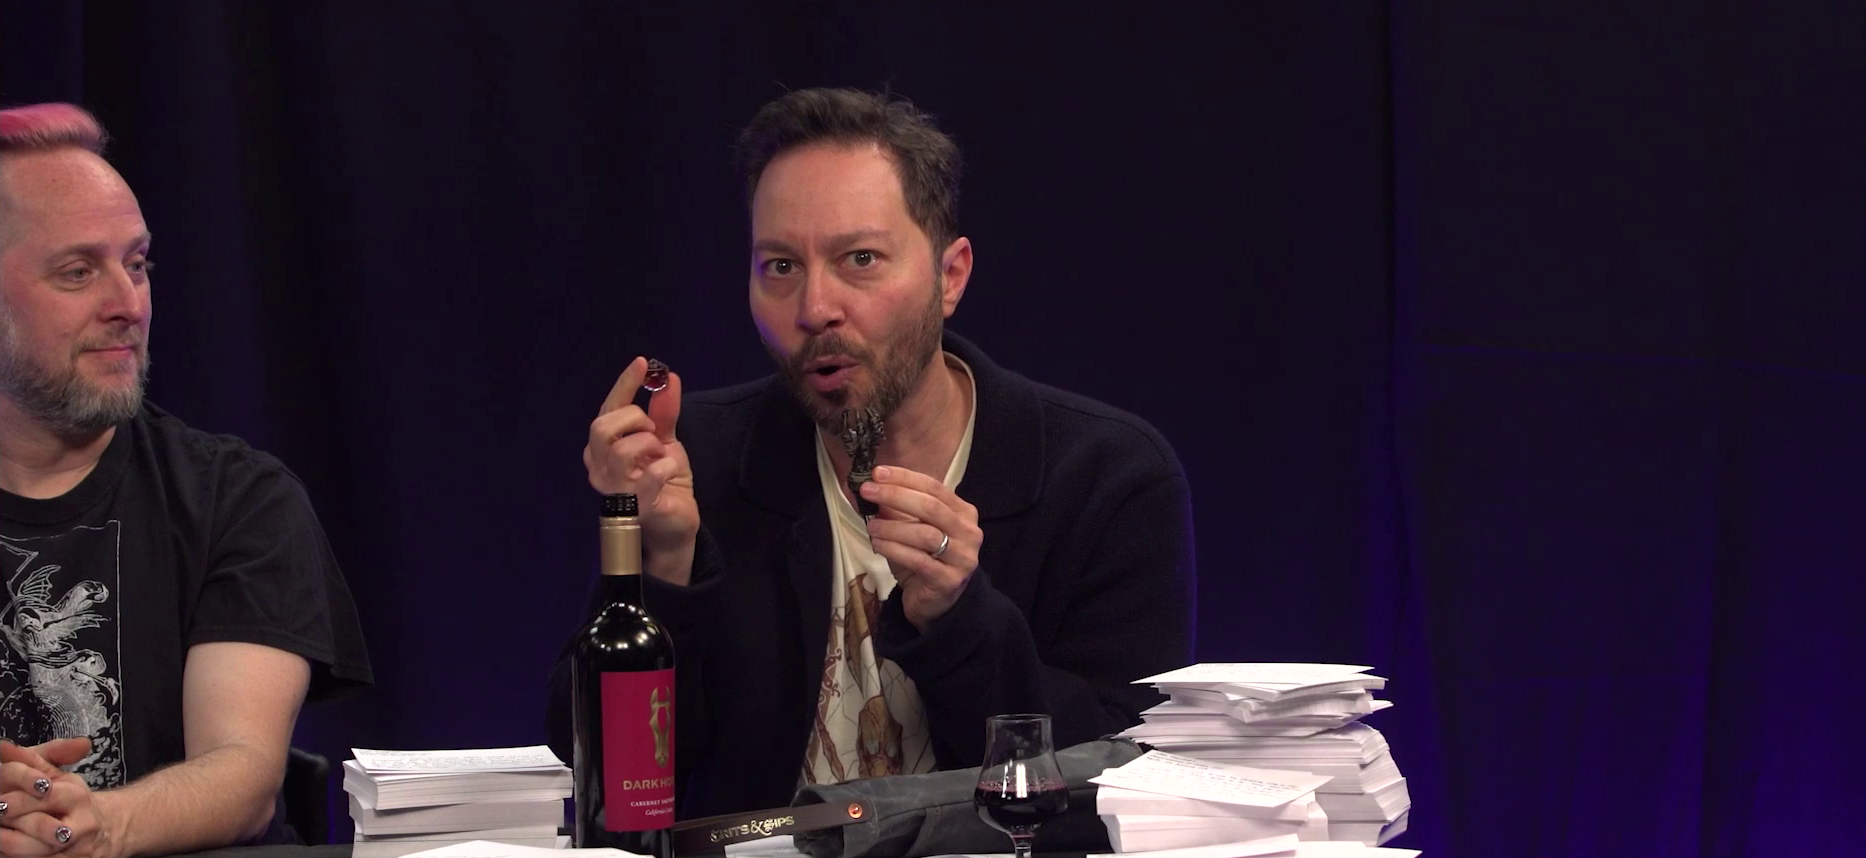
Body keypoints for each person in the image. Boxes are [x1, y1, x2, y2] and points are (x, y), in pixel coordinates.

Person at [548, 88, 1194, 818]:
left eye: (860, 258)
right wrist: (660, 564)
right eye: (780, 266)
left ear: (950, 276)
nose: (815, 306)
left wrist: (958, 618)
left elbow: (1128, 785)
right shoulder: (699, 459)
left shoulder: (1107, 477)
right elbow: (609, 775)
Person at [0, 103, 372, 854]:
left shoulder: (235, 498)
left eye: (136, 264)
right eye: (78, 271)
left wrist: (94, 828)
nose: (126, 304)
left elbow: (241, 774)